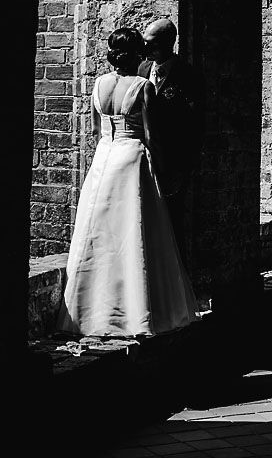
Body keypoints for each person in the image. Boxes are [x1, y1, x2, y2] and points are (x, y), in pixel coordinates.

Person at [58, 28, 198, 337]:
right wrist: (161, 173)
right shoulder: (142, 87)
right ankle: (136, 311)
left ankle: (89, 310)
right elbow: (151, 136)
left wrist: (104, 153)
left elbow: (96, 132)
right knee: (135, 234)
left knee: (100, 234)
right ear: (137, 55)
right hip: (132, 158)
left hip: (104, 159)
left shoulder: (98, 85)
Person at [138, 18, 205, 261]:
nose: (147, 49)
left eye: (153, 44)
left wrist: (182, 167)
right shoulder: (142, 70)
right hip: (144, 161)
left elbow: (193, 125)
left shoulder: (187, 75)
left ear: (169, 43)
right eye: (145, 44)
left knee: (171, 223)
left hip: (172, 162)